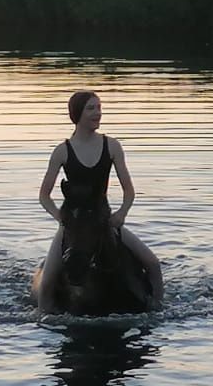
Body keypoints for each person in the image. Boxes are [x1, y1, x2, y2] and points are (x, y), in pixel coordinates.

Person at [37, 90, 164, 311]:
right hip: (74, 224)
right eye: (91, 108)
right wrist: (62, 218)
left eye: (99, 108)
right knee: (46, 284)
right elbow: (44, 195)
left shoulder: (112, 146)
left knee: (153, 264)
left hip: (103, 221)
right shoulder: (62, 152)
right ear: (77, 114)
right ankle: (42, 316)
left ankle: (159, 307)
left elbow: (129, 191)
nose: (98, 113)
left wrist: (121, 214)